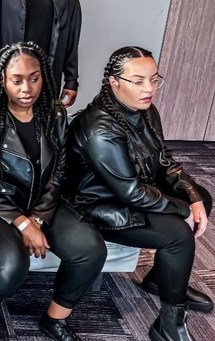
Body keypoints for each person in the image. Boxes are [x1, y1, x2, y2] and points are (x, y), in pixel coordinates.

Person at [0, 42, 106, 341]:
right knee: (12, 264)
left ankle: (54, 319)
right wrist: (22, 223)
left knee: (90, 250)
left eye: (34, 78)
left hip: (41, 202)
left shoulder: (55, 114)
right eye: (17, 80)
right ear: (2, 81)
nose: (27, 88)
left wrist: (37, 217)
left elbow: (60, 172)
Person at [67, 46, 212, 341]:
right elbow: (130, 193)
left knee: (202, 197)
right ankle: (169, 324)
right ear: (114, 82)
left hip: (133, 191)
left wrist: (191, 195)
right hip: (100, 207)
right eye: (138, 81)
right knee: (177, 234)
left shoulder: (144, 110)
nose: (149, 89)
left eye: (154, 79)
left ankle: (162, 279)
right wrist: (182, 210)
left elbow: (164, 160)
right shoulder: (99, 129)